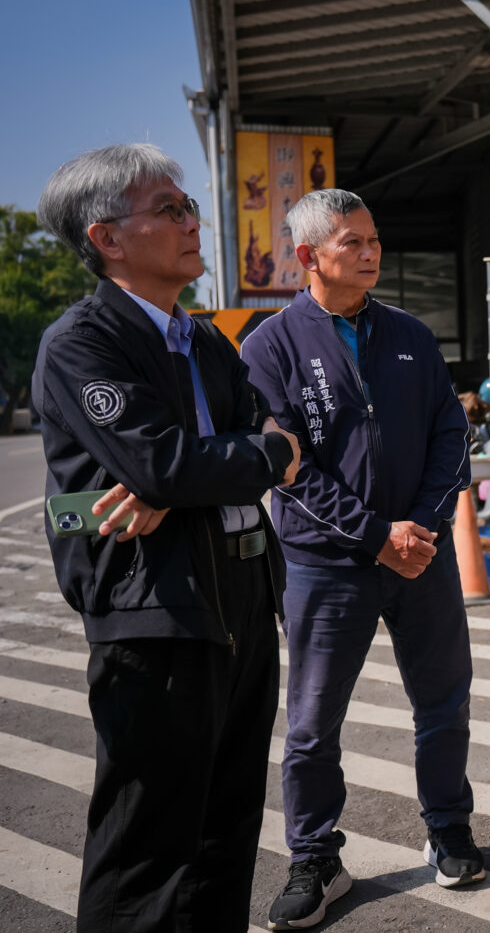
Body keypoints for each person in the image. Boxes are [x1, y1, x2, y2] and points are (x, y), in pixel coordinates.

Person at [32, 143, 300, 931]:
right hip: (156, 614)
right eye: (171, 210)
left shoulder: (208, 340)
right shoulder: (84, 342)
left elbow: (266, 438)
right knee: (149, 849)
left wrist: (242, 460)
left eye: (189, 207)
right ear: (107, 237)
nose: (193, 223)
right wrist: (249, 459)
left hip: (244, 602)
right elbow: (169, 462)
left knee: (226, 835)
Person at [240, 189, 480, 930]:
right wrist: (375, 534)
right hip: (324, 564)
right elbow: (286, 468)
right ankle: (316, 858)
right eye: (354, 242)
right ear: (309, 257)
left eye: (375, 239)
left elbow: (452, 435)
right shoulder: (269, 347)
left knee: (443, 702)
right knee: (313, 723)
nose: (372, 252)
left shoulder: (409, 332)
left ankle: (449, 830)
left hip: (423, 553)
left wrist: (422, 529)